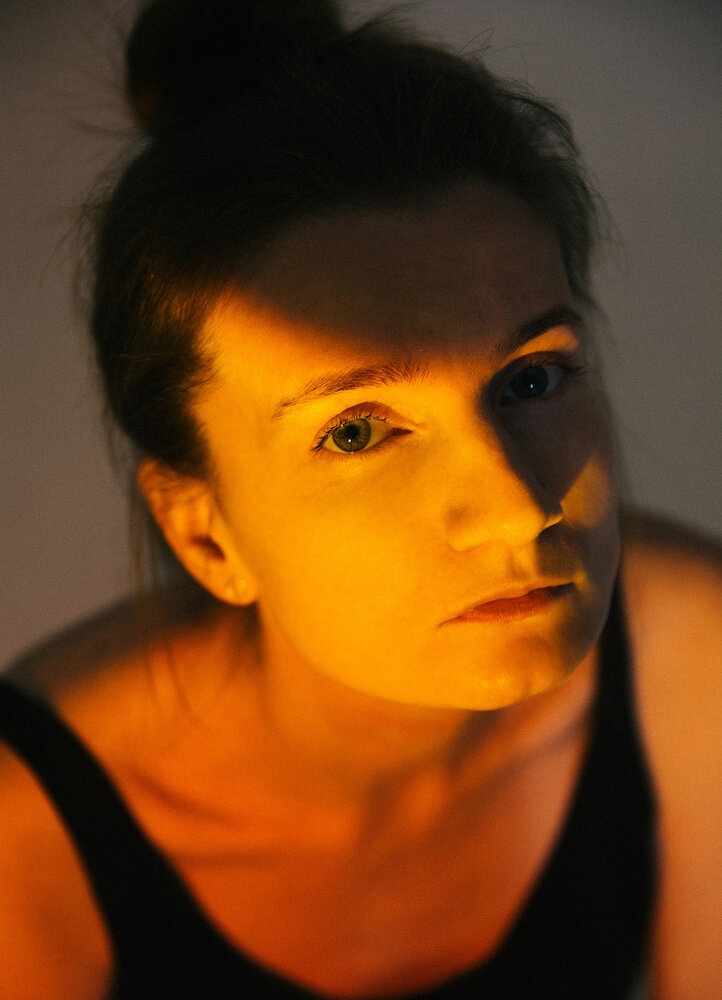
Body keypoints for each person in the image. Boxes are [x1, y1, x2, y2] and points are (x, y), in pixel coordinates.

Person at [0, 1, 719, 998]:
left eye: (530, 378)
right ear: (206, 537)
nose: (517, 508)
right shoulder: (30, 818)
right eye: (356, 430)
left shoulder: (693, 653)